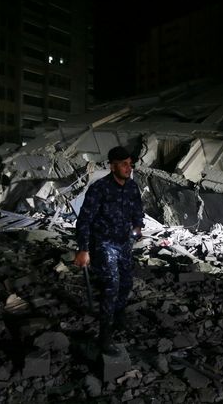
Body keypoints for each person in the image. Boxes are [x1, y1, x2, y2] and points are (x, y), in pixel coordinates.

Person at [74, 146, 145, 356]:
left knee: (126, 283)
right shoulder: (100, 188)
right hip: (104, 244)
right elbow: (84, 220)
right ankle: (105, 336)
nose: (128, 168)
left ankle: (119, 317)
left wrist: (137, 225)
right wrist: (83, 249)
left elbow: (137, 209)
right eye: (123, 164)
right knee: (111, 286)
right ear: (112, 166)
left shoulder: (132, 187)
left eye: (130, 163)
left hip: (124, 244)